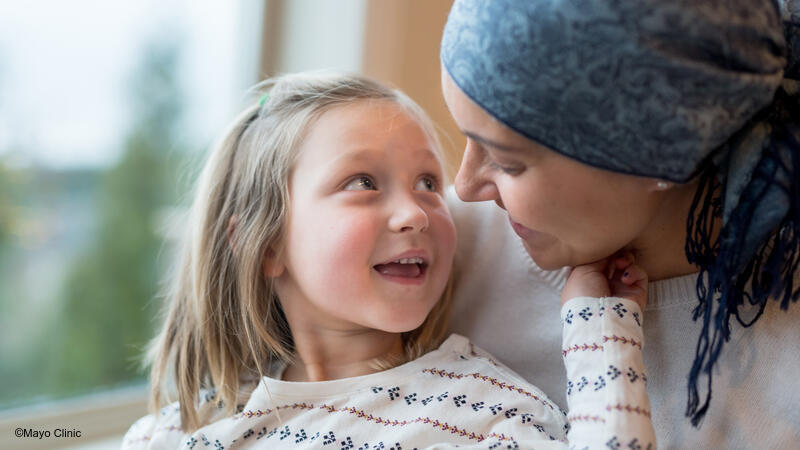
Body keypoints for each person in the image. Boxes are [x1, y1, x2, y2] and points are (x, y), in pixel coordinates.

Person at [122, 72, 657, 449]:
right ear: (267, 246)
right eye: (363, 183)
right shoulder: (174, 432)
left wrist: (599, 325)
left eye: (428, 183)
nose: (417, 213)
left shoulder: (481, 406)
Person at [440, 0, 800, 448]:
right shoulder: (432, 251)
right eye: (466, 138)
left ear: (665, 154)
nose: (465, 186)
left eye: (508, 162)